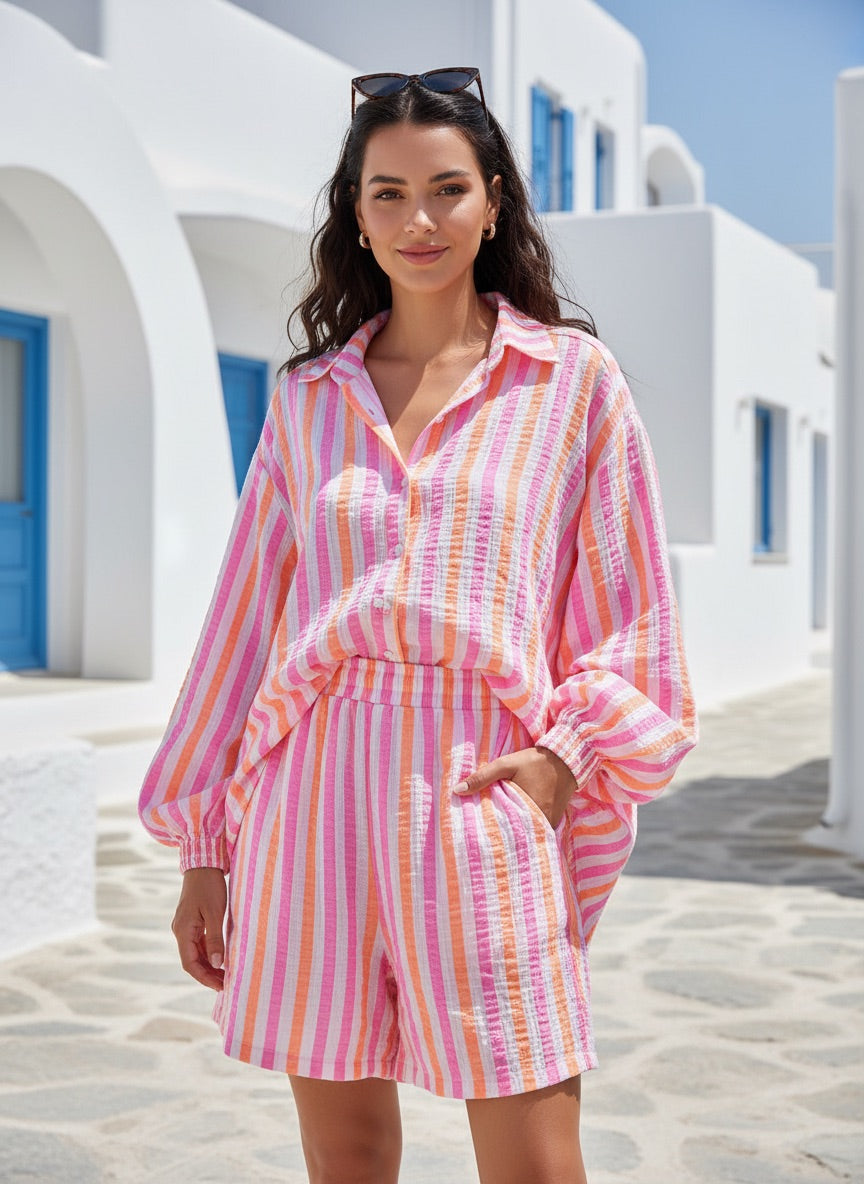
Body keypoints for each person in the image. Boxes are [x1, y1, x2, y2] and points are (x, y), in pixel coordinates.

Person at [138, 66, 698, 1184]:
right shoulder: (307, 399)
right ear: (357, 211)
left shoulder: (572, 383)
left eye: (447, 188)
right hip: (314, 788)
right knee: (344, 1153)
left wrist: (563, 759)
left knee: (536, 1157)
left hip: (482, 786)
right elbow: (245, 628)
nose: (420, 220)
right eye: (387, 193)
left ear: (494, 199)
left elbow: (631, 613)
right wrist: (206, 845)